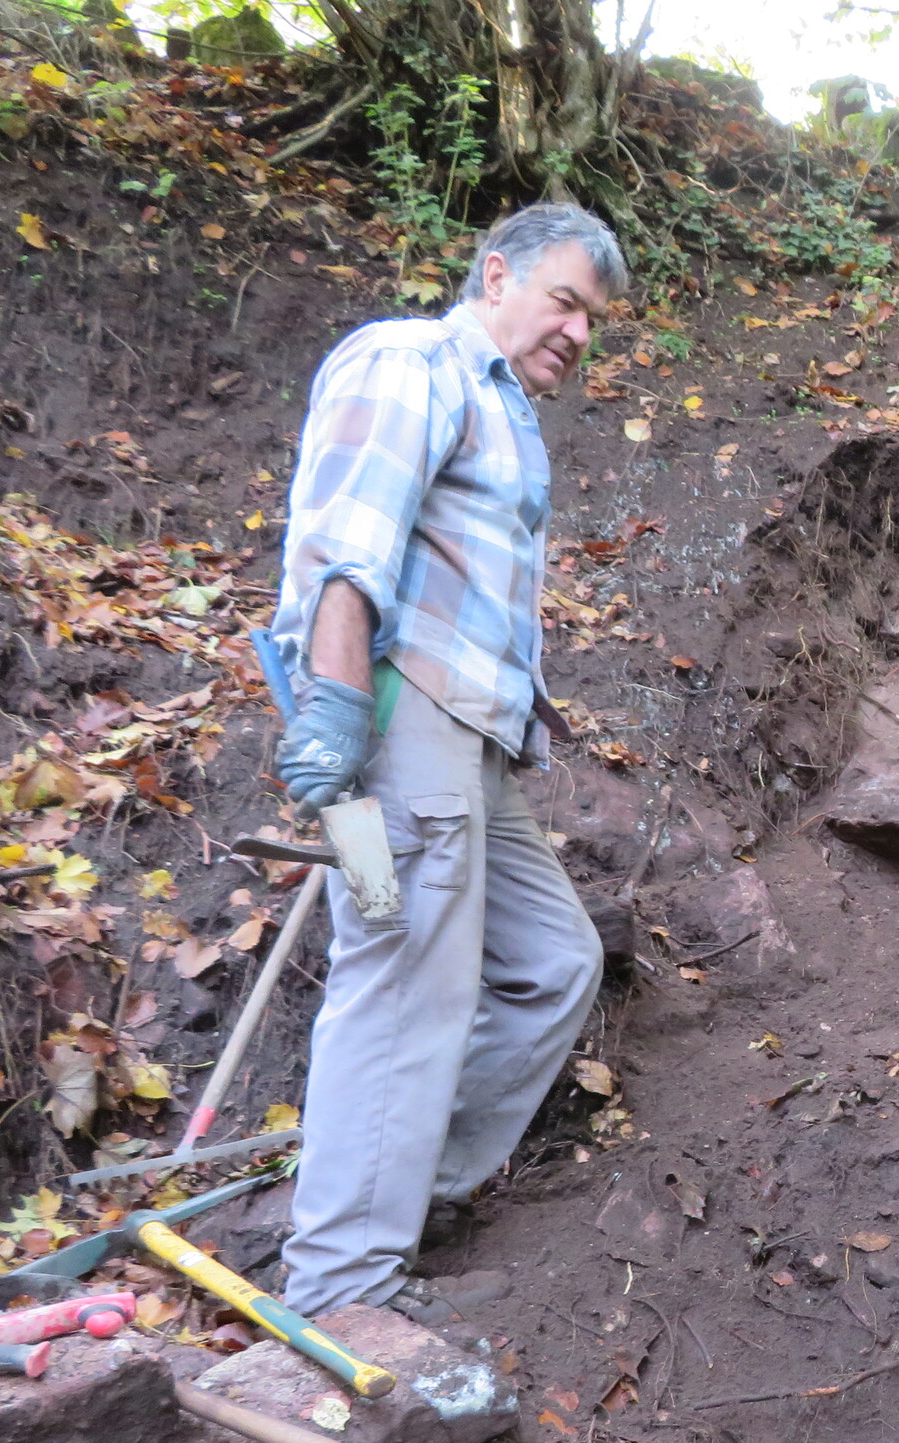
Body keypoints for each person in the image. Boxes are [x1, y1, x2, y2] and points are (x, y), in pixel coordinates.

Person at [259, 204, 625, 1319]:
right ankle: (342, 1282)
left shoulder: (502, 410)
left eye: (594, 320)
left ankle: (393, 1191)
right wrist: (334, 700)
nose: (579, 332)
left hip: (467, 749)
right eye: (565, 301)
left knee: (553, 963)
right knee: (403, 970)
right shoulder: (415, 360)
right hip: (394, 722)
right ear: (497, 274)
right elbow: (348, 539)